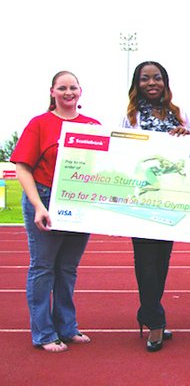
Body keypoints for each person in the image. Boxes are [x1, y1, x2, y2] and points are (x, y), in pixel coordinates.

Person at [11, 71, 100, 352]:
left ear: (80, 91)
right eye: (62, 88)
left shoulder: (93, 126)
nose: (68, 92)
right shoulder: (40, 124)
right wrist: (38, 206)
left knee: (67, 268)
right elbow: (22, 167)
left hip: (78, 202)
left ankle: (67, 326)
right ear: (52, 92)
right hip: (46, 199)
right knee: (43, 267)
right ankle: (43, 332)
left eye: (73, 87)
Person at [121, 61, 190, 352]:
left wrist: (187, 138)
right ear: (136, 84)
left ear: (165, 82)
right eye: (145, 78)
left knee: (162, 259)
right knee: (144, 259)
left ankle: (149, 313)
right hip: (140, 195)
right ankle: (156, 321)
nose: (152, 83)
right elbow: (122, 153)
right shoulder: (129, 115)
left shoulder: (179, 113)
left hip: (170, 196)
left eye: (157, 78)